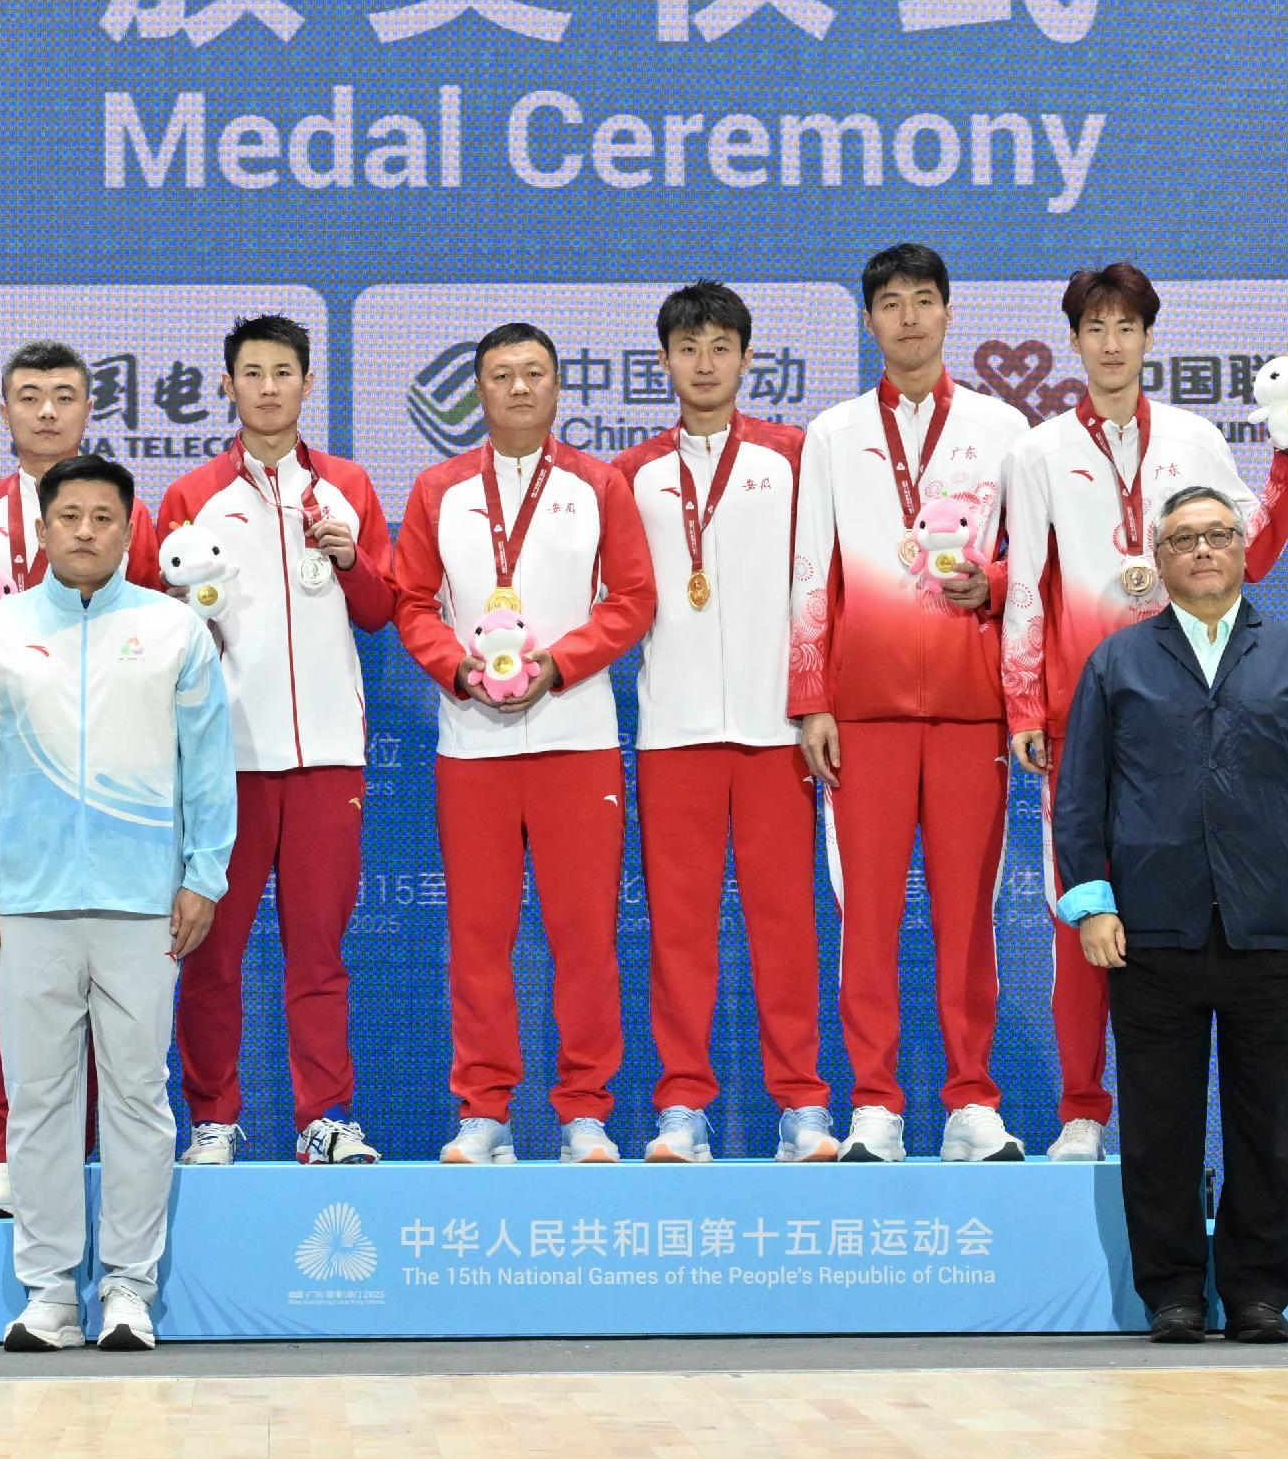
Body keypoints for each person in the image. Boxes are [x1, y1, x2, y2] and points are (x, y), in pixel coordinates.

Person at [997, 263, 1288, 1161]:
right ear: (1075, 342)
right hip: (1087, 716)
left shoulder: (1194, 439)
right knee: (1082, 918)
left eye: (1125, 326)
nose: (1110, 342)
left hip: (1196, 708)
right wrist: (1025, 699)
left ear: (1148, 338)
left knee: (1189, 917)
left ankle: (1180, 1132)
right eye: (1094, 326)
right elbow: (1026, 584)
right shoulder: (1036, 453)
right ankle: (1081, 1112)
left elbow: (1252, 555)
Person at [1053, 485, 1288, 1346]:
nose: (1202, 550)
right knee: (1159, 1131)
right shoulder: (1118, 664)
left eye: (1218, 535)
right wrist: (1091, 904)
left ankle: (1260, 1293)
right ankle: (1175, 1295)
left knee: (1273, 1130)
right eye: (1183, 539)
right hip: (1151, 935)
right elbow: (1079, 801)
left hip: (1272, 931)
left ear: (1240, 551)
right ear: (1157, 560)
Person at [0, 452, 233, 1354]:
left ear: (131, 527)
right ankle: (49, 1294)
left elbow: (208, 770)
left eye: (104, 517)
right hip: (26, 904)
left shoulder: (177, 632)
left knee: (140, 1098)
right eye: (69, 515)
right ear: (45, 524)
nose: (86, 531)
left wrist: (203, 875)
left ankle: (129, 1291)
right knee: (39, 1101)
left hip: (144, 903)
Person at [0, 339, 162, 1216]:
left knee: (122, 981)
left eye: (64, 395)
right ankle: (8, 1157)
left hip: (113, 789)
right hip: (4, 781)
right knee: (4, 974)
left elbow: (161, 624)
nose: (47, 411)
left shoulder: (124, 515)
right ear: (4, 412)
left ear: (91, 409)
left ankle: (99, 1162)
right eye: (29, 396)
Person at [390, 321, 656, 1165]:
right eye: (500, 375)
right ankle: (484, 1113)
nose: (517, 388)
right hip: (473, 745)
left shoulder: (597, 483)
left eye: (534, 373)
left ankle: (585, 1113)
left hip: (576, 740)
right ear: (479, 391)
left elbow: (634, 599)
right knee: (478, 938)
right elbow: (410, 603)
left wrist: (562, 663)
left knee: (584, 937)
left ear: (556, 387)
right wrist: (457, 670)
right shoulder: (438, 488)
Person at [790, 242, 1030, 1163]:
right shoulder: (834, 432)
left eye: (924, 300)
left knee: (969, 914)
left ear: (949, 312)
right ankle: (877, 1106)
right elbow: (814, 569)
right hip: (865, 716)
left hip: (973, 713)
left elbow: (1035, 562)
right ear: (869, 320)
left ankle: (972, 1101)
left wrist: (996, 583)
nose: (909, 318)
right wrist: (812, 699)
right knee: (869, 915)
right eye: (890, 303)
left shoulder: (1005, 427)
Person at [152, 313, 396, 1168]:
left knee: (319, 953)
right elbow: (160, 625)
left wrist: (354, 556)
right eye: (250, 372)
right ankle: (213, 1120)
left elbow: (379, 610)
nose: (267, 386)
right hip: (227, 763)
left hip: (328, 755)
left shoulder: (348, 487)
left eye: (282, 372)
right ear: (227, 386)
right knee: (212, 952)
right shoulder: (190, 498)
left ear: (305, 383)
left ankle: (323, 1119)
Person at [613, 281, 833, 1163]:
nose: (704, 365)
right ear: (663, 363)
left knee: (787, 923)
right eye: (687, 349)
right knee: (679, 927)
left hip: (777, 731)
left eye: (720, 348)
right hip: (674, 732)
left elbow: (820, 588)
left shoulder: (792, 457)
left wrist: (814, 700)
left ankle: (804, 1107)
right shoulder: (631, 475)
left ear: (749, 361)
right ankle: (682, 1109)